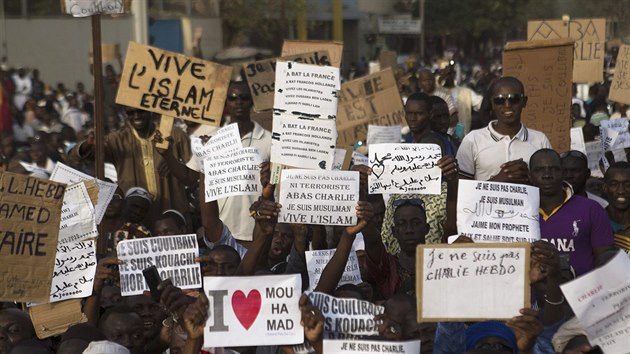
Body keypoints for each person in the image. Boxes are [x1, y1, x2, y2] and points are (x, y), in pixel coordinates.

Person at [162, 80, 272, 243]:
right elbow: (189, 178)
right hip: (220, 231)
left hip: (255, 230)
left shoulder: (268, 140)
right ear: (226, 102)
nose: (238, 102)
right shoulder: (211, 138)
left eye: (244, 97)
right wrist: (167, 155)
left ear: (252, 101)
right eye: (233, 98)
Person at [72, 107, 192, 226]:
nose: (136, 116)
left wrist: (175, 163)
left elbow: (196, 170)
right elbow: (77, 158)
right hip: (135, 216)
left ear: (151, 110)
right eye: (131, 113)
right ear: (125, 114)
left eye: (141, 111)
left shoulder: (174, 135)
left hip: (172, 213)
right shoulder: (118, 139)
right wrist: (88, 145)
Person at [530, 149, 614, 276]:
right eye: (539, 170)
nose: (547, 175)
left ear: (563, 172)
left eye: (554, 169)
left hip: (582, 292)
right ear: (529, 176)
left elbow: (605, 260)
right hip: (531, 294)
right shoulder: (517, 213)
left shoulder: (591, 209)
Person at [457, 76, 551, 182]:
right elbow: (463, 190)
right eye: (499, 100)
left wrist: (528, 177)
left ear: (524, 102)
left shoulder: (540, 140)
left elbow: (549, 184)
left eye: (514, 99)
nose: (507, 105)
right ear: (492, 104)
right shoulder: (473, 140)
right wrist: (500, 179)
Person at [602, 161, 630, 253]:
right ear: (605, 187)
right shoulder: (595, 220)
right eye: (614, 184)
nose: (621, 191)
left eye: (628, 185)